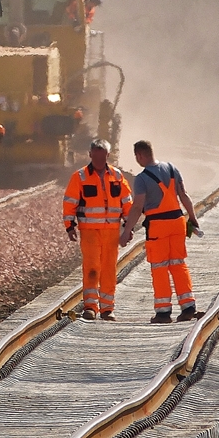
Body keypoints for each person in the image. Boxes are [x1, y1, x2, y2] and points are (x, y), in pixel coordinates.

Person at [119, 140, 202, 323]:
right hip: (178, 222)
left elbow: (137, 206)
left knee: (159, 267)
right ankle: (188, 307)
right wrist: (193, 217)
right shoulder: (172, 168)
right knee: (178, 264)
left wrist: (127, 231)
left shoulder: (141, 179)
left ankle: (163, 313)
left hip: (158, 226)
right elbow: (184, 195)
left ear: (140, 155)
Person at [63, 138, 133, 321]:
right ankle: (90, 307)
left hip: (111, 231)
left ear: (108, 156)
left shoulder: (117, 177)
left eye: (102, 156)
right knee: (92, 268)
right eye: (96, 156)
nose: (99, 159)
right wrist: (69, 226)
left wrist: (129, 225)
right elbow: (70, 202)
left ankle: (107, 308)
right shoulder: (80, 177)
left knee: (109, 268)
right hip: (90, 231)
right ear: (90, 155)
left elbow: (127, 202)